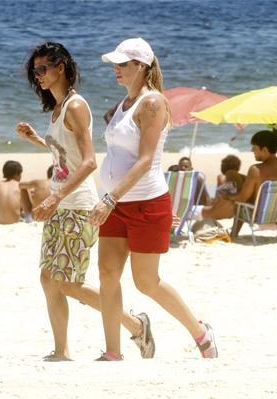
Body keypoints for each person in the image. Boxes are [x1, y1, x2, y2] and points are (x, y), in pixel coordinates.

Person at [15, 42, 154, 361]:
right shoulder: (57, 108)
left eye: (42, 69)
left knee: (69, 283)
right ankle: (62, 350)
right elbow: (66, 158)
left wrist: (54, 197)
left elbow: (89, 162)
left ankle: (135, 325)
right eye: (34, 71)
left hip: (76, 205)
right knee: (48, 279)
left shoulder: (76, 106)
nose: (38, 76)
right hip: (60, 205)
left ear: (60, 68)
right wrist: (37, 139)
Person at [90, 37, 217, 361]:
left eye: (123, 64)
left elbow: (145, 160)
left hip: (145, 203)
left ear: (142, 66)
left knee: (146, 282)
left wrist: (110, 198)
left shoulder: (153, 102)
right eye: (115, 63)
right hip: (115, 203)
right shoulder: (124, 104)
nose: (116, 69)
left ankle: (200, 332)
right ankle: (113, 352)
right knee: (107, 275)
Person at [222, 131, 277, 239]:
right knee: (240, 178)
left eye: (254, 148)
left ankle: (233, 233)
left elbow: (242, 198)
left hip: (258, 215)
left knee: (239, 201)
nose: (252, 150)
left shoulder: (256, 170)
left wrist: (228, 196)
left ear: (264, 150)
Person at [190, 154, 246, 221]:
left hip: (218, 211)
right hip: (232, 212)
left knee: (200, 186)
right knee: (210, 189)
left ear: (224, 166)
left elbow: (219, 197)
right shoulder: (241, 179)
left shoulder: (222, 177)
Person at [0, 160, 49, 224]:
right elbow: (29, 207)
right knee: (26, 209)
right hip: (14, 221)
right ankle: (25, 217)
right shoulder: (19, 185)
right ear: (17, 174)